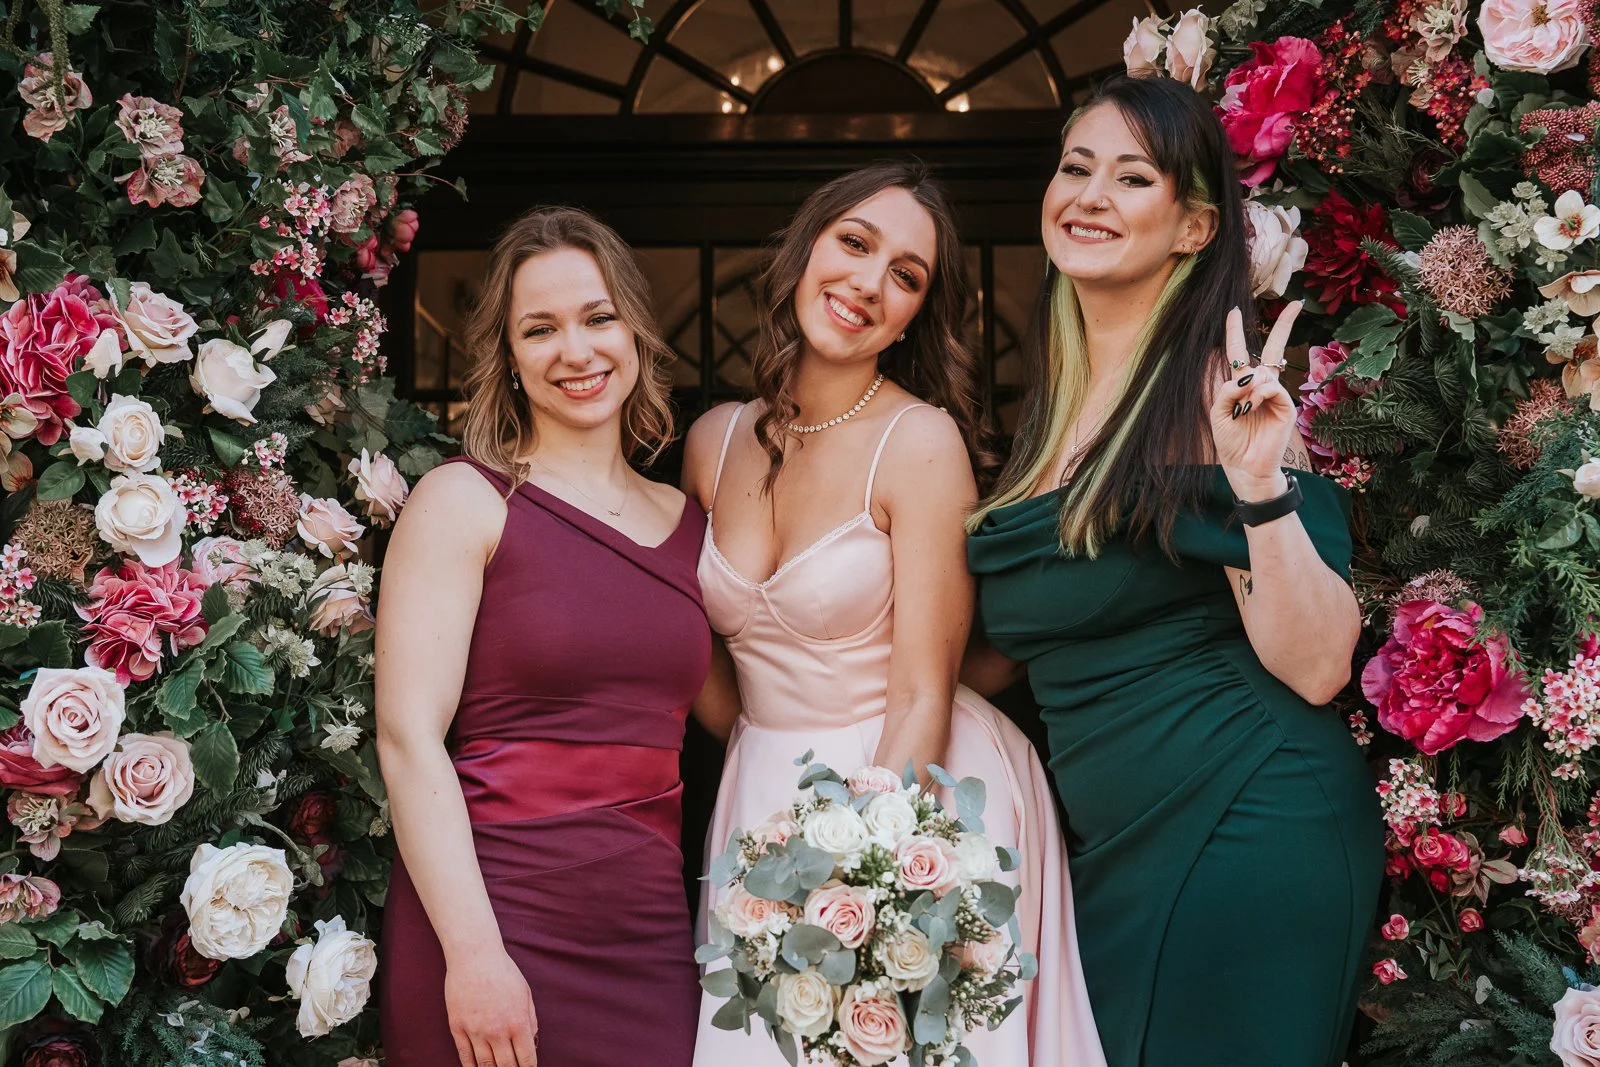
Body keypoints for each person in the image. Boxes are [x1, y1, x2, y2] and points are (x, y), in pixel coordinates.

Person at [963, 74, 1385, 1066]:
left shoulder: (1216, 394)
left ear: (1193, 227)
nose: (1089, 195)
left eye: (1130, 176)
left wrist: (1258, 486)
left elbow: (1321, 662)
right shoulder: (1042, 418)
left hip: (1247, 817)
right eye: (1075, 168)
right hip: (1108, 855)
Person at [685, 161, 1106, 1066]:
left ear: (917, 312)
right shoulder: (710, 440)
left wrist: (856, 887)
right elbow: (705, 669)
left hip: (910, 798)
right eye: (854, 243)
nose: (868, 285)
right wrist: (760, 767)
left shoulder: (919, 442)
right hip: (759, 794)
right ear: (805, 248)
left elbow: (924, 690)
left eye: (906, 276)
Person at [375, 207, 708, 1067]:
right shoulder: (465, 500)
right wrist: (477, 956)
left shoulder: (689, 522)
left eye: (599, 318)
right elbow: (408, 738)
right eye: (541, 328)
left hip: (648, 931)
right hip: (491, 918)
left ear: (635, 331)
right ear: (510, 358)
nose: (578, 350)